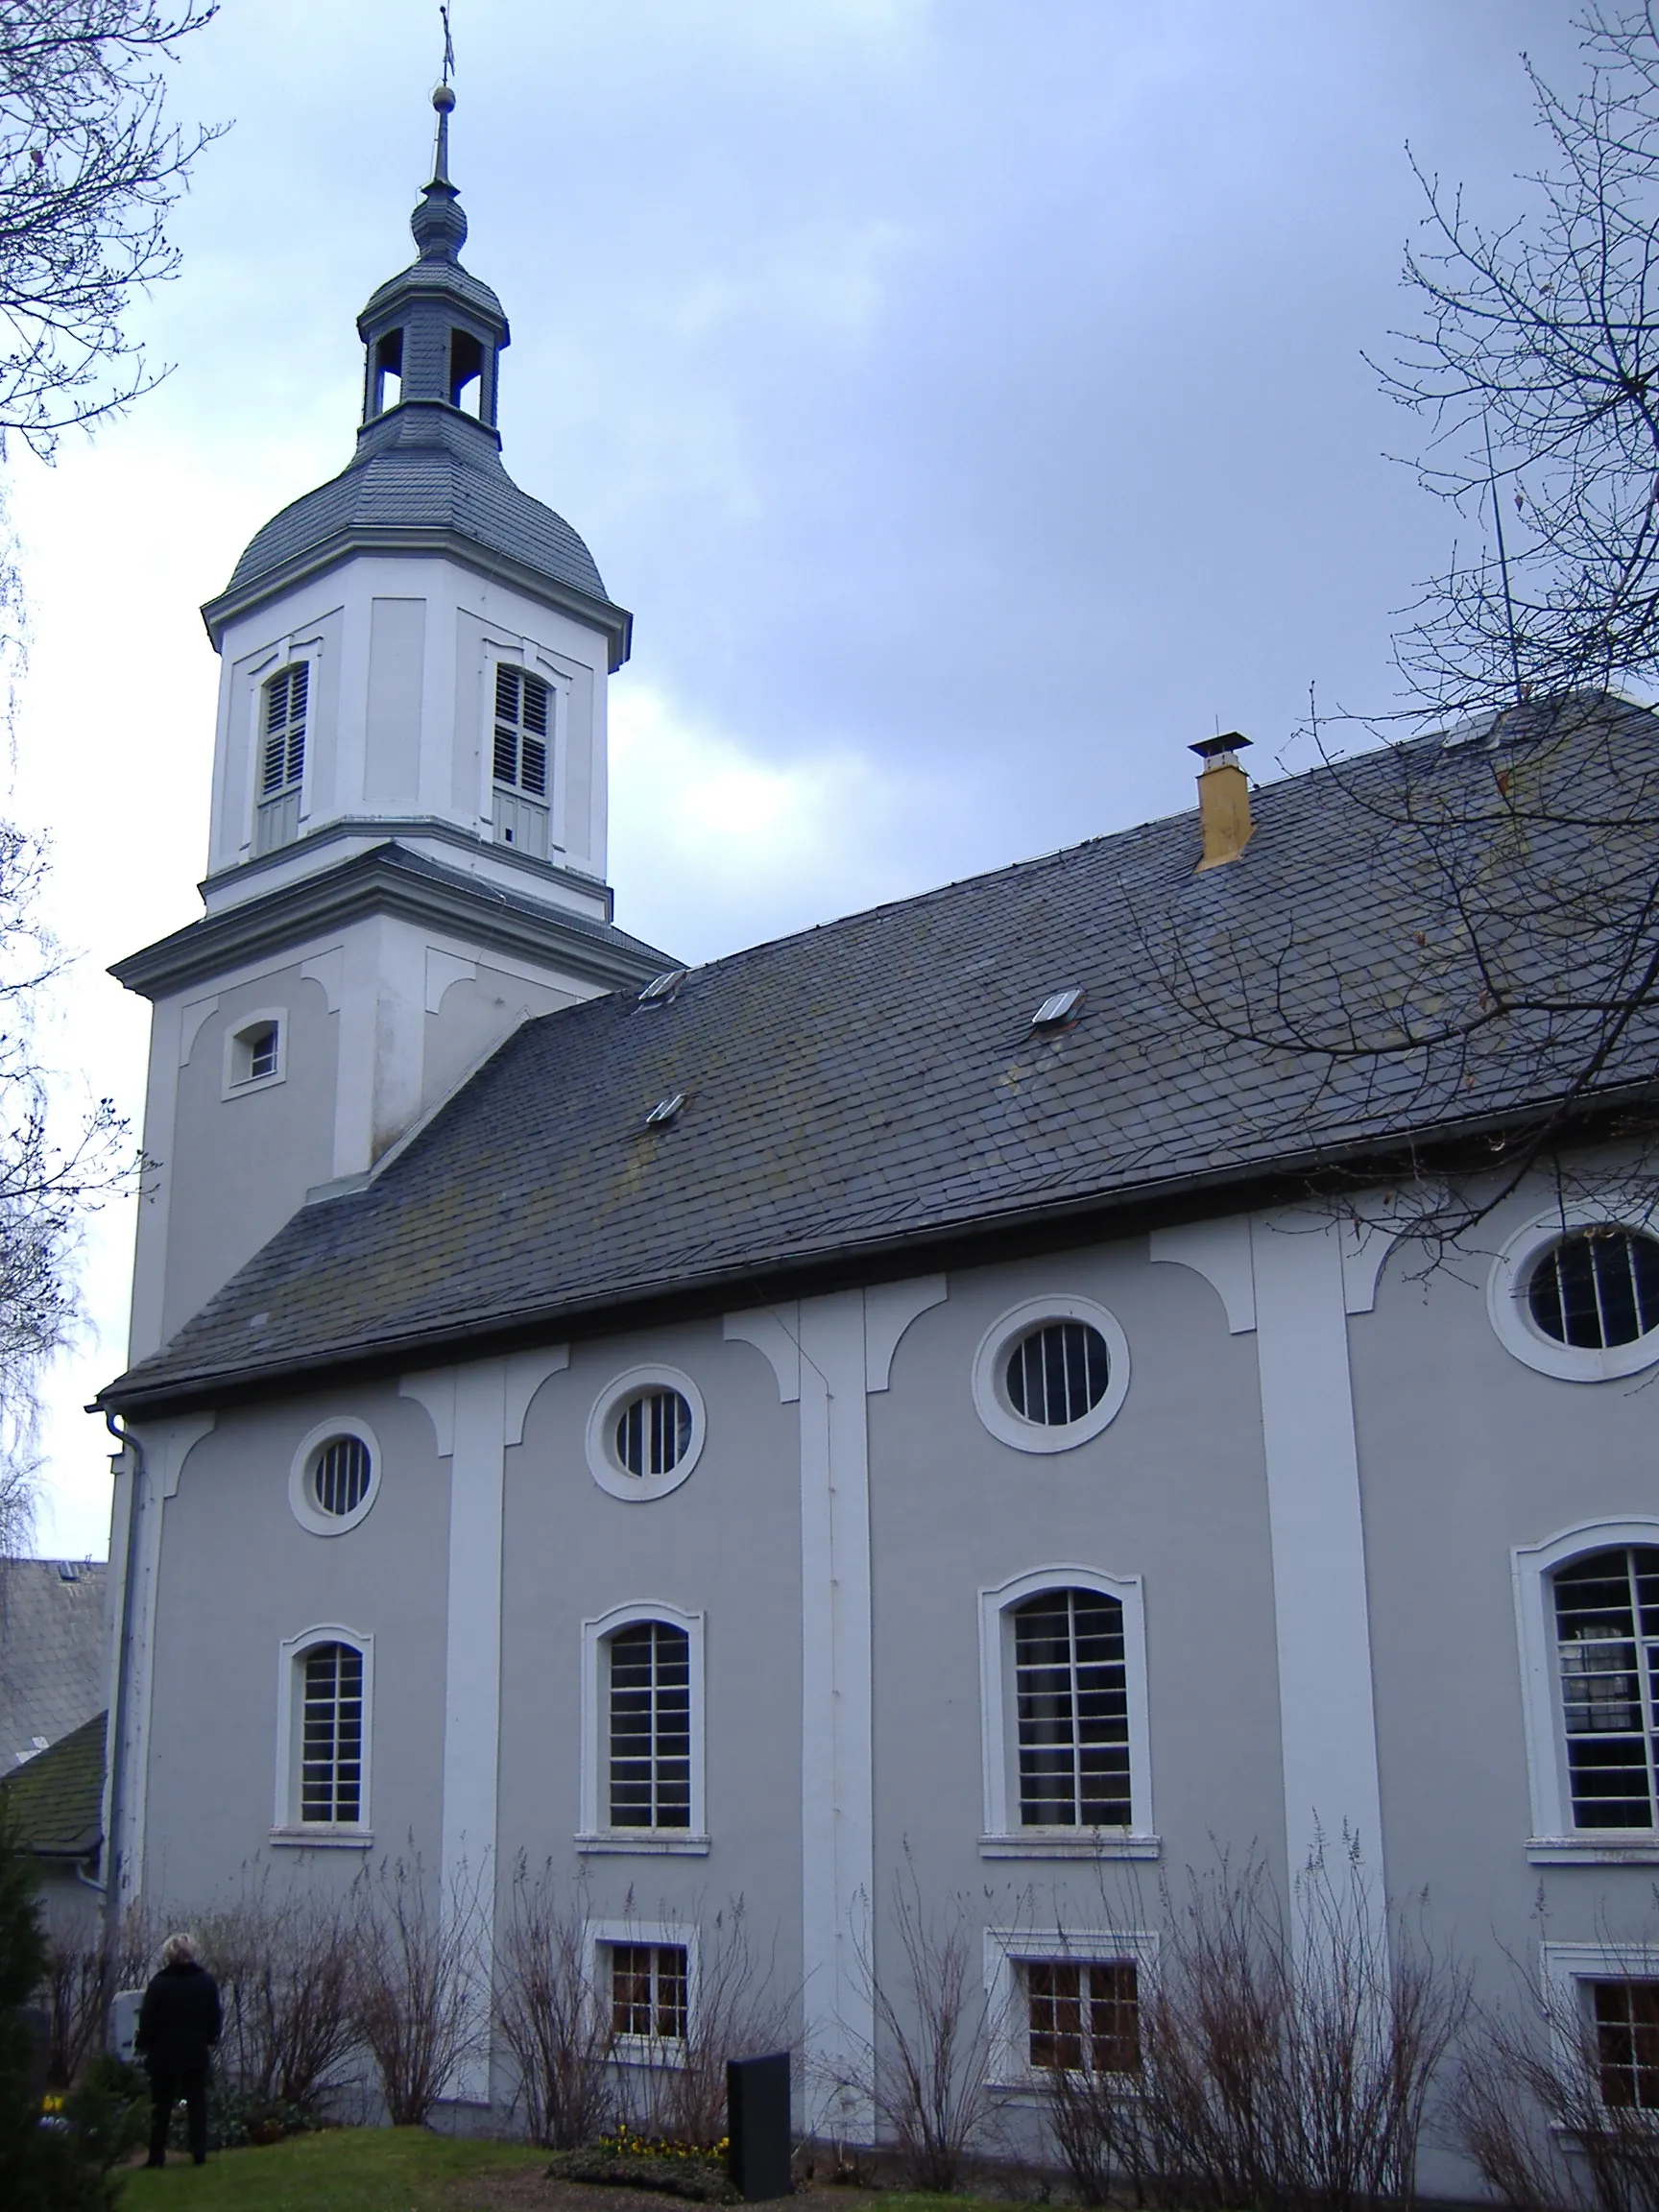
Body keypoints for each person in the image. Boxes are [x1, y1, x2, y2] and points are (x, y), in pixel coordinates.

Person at [135, 1931, 222, 2168]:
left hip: (163, 2052)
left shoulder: (159, 1984)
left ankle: (156, 2155)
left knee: (160, 2105)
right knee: (197, 2103)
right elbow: (214, 2014)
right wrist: (211, 2037)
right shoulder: (205, 1981)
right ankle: (199, 2152)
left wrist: (143, 2044)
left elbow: (148, 2019)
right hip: (194, 2049)